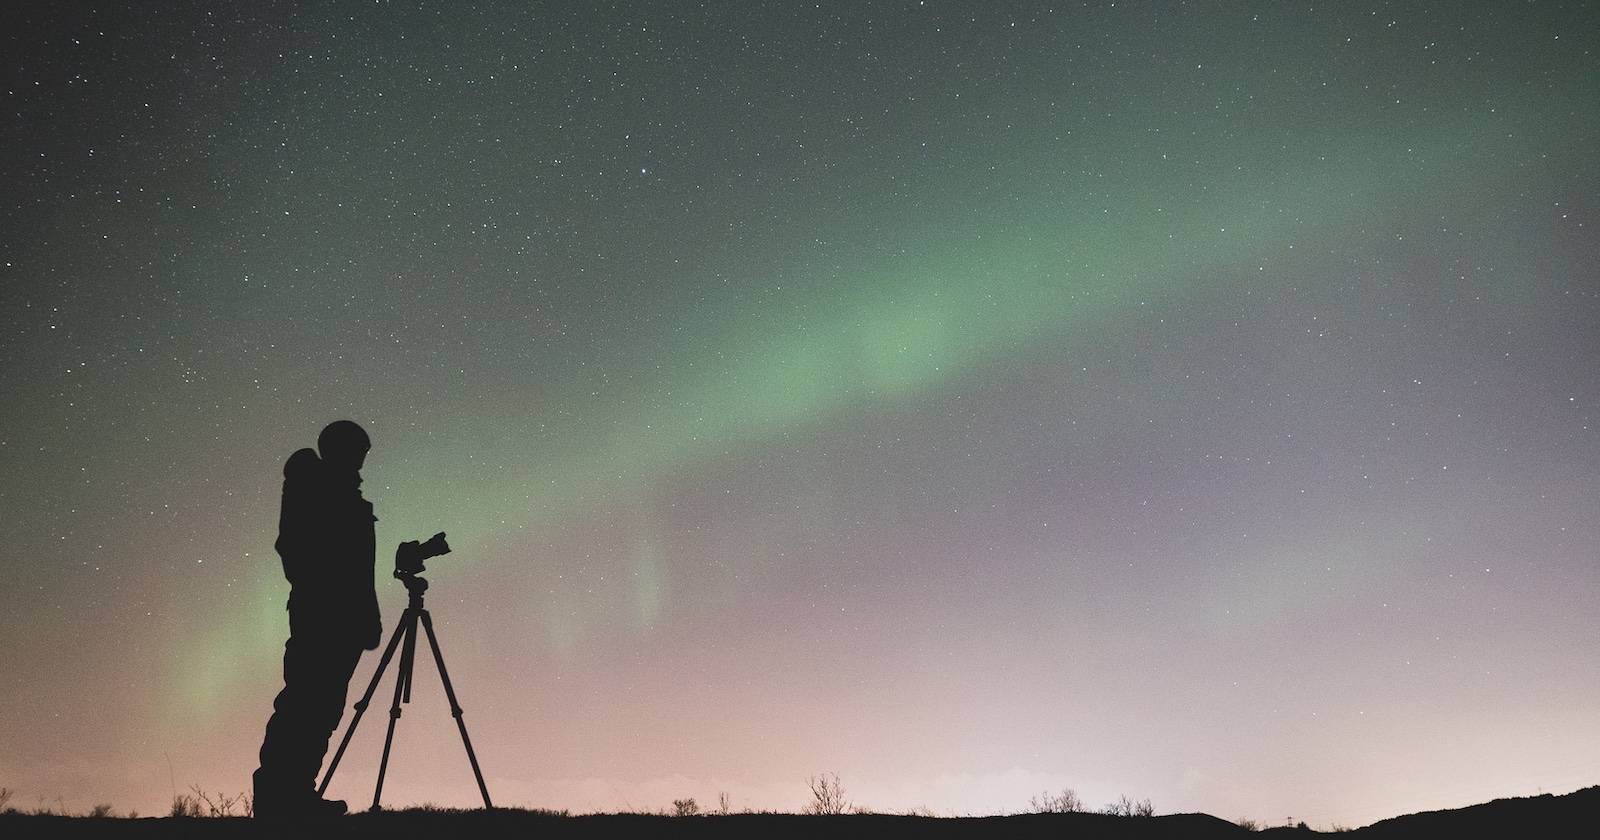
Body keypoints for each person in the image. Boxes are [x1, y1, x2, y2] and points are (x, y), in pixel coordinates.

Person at [253, 420, 383, 818]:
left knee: (323, 708)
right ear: (341, 450)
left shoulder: (342, 491)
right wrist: (328, 593)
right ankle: (280, 797)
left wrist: (367, 613)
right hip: (322, 615)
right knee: (305, 704)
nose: (361, 464)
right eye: (356, 454)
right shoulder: (315, 485)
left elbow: (360, 567)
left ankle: (298, 793)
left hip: (342, 618)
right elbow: (295, 547)